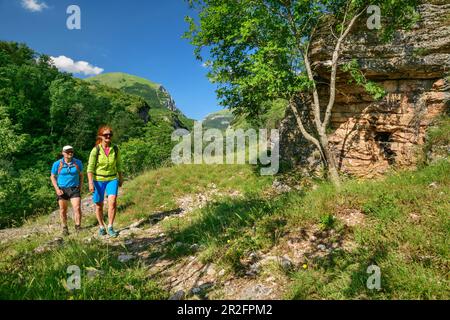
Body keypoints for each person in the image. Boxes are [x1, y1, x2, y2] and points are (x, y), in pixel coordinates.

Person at [87, 126, 123, 237]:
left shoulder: (115, 149)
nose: (108, 136)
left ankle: (111, 226)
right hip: (98, 180)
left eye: (110, 135)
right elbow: (90, 167)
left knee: (112, 202)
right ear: (100, 136)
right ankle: (102, 226)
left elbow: (119, 164)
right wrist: (90, 182)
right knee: (99, 205)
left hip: (112, 179)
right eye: (105, 135)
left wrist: (120, 177)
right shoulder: (96, 150)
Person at [50, 145, 84, 236]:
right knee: (63, 210)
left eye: (71, 151)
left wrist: (80, 187)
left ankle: (78, 227)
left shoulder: (78, 162)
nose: (70, 153)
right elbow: (52, 176)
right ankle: (65, 228)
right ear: (63, 153)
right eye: (67, 151)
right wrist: (57, 189)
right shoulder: (57, 164)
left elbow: (81, 175)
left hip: (74, 188)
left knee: (77, 208)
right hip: (62, 189)